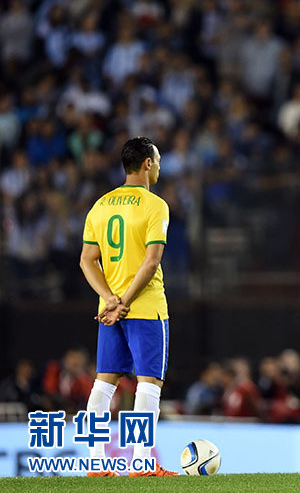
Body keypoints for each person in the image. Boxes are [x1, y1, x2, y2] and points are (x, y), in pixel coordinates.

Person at [78, 136, 178, 477]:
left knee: (104, 384)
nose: (159, 166)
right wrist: (126, 301)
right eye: (158, 160)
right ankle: (141, 462)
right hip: (145, 306)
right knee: (149, 383)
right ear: (148, 164)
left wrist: (110, 299)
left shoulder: (100, 205)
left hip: (109, 311)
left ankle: (95, 463)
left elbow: (87, 260)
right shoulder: (155, 205)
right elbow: (151, 262)